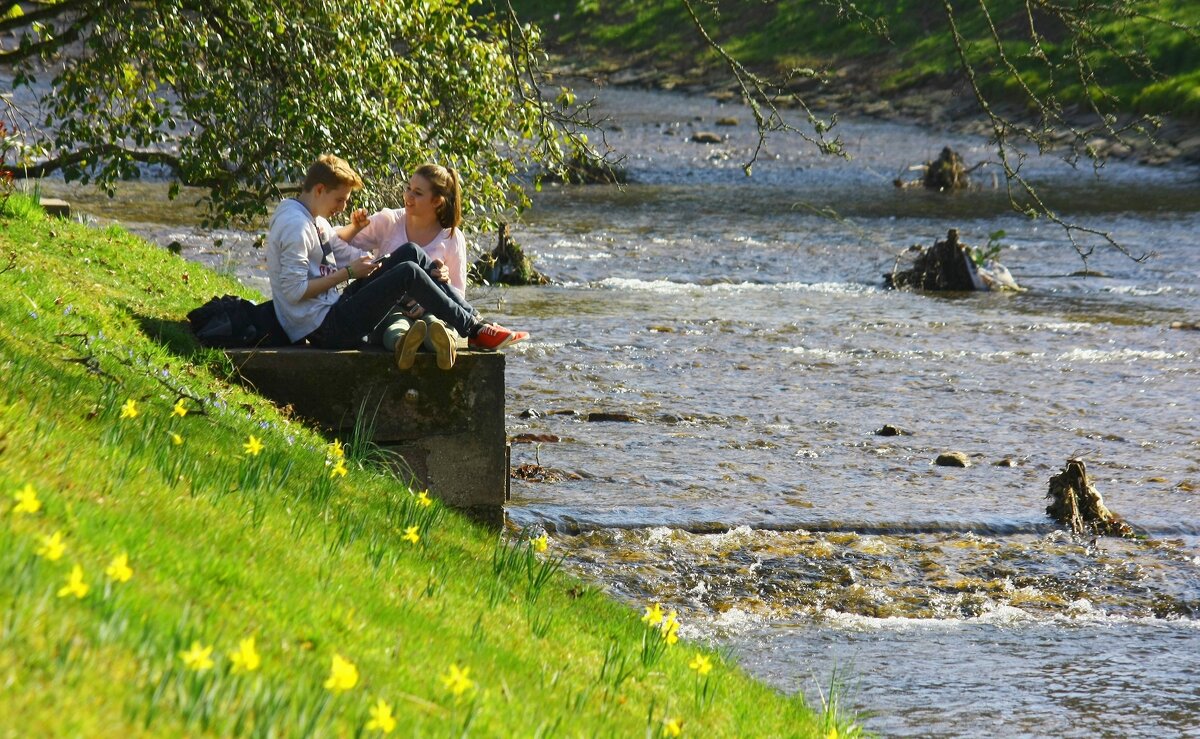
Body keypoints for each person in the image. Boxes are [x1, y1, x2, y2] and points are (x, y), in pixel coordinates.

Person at [266, 154, 527, 357]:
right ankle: (472, 329)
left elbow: (345, 251)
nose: (343, 207)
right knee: (408, 272)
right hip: (325, 330)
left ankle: (476, 323)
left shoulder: (315, 220)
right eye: (340, 200)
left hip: (335, 309)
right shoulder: (296, 226)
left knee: (411, 253)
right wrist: (348, 274)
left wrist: (373, 265)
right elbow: (293, 291)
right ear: (320, 189)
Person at [337, 163, 474, 370]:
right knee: (396, 323)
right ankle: (403, 343)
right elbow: (340, 243)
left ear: (436, 201)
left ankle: (444, 346)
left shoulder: (452, 238)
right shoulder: (389, 221)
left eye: (417, 193)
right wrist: (354, 227)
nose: (408, 196)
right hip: (390, 306)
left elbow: (457, 295)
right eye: (408, 188)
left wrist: (430, 299)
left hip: (431, 310)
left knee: (436, 322)